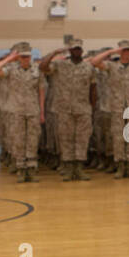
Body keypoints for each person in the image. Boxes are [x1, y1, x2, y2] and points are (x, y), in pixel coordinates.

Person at [40, 37, 95, 181]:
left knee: (82, 140)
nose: (77, 51)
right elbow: (43, 67)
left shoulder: (88, 67)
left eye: (79, 48)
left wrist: (92, 108)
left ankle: (79, 169)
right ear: (70, 51)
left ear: (82, 50)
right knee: (65, 139)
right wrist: (53, 53)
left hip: (83, 109)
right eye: (74, 49)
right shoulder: (60, 65)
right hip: (64, 109)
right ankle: (69, 168)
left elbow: (93, 88)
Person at [0, 42, 43, 182]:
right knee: (18, 139)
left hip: (32, 110)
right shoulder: (11, 69)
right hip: (16, 110)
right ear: (18, 57)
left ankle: (31, 170)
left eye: (27, 56)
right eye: (22, 56)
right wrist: (8, 59)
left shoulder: (37, 70)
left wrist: (42, 111)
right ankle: (20, 169)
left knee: (32, 140)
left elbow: (41, 91)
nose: (26, 59)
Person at [93, 40, 129, 178]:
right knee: (118, 137)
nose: (126, 52)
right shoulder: (112, 66)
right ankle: (120, 166)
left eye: (128, 50)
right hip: (116, 107)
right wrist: (111, 52)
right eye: (123, 50)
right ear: (119, 51)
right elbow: (95, 62)